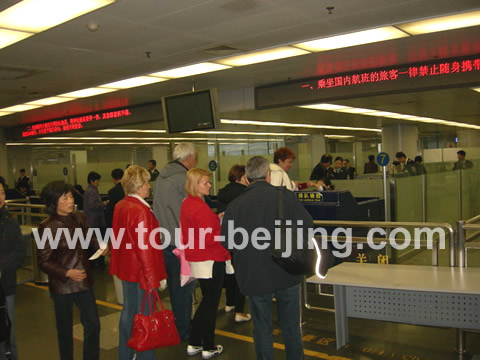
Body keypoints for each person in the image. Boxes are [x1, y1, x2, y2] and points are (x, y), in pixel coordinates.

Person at [222, 156, 314, 360]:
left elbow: (227, 242)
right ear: (268, 175)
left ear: (246, 178)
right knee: (290, 327)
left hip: (254, 276)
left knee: (262, 328)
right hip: (286, 271)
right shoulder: (285, 197)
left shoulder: (235, 206)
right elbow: (307, 225)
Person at [37, 181, 104, 360]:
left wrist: (100, 247)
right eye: (65, 197)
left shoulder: (79, 218)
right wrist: (66, 272)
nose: (70, 201)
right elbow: (43, 261)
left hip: (83, 280)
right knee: (65, 330)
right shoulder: (48, 227)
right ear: (54, 202)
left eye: (71, 196)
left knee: (93, 325)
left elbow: (89, 239)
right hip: (63, 285)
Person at [109, 165, 167, 360]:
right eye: (146, 183)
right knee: (146, 316)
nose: (149, 187)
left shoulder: (121, 205)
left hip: (127, 269)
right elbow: (144, 247)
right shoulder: (140, 210)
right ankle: (146, 355)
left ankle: (125, 354)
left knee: (129, 312)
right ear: (139, 185)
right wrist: (152, 278)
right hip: (142, 271)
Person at [181, 168, 231, 359]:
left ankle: (194, 342)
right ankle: (208, 345)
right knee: (210, 304)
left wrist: (215, 221)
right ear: (195, 184)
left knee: (206, 302)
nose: (209, 185)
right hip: (210, 258)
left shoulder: (188, 203)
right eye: (205, 182)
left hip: (199, 259)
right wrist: (225, 229)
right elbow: (210, 237)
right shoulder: (198, 206)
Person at [152, 142, 198, 341]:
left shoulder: (160, 178)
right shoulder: (185, 179)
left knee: (174, 288)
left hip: (164, 242)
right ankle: (184, 330)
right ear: (188, 158)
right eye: (195, 157)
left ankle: (178, 326)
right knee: (184, 290)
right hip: (182, 245)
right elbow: (197, 212)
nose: (196, 161)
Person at [216, 165, 251, 323]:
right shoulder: (245, 193)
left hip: (225, 237)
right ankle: (240, 310)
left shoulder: (223, 191)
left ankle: (229, 303)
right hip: (242, 238)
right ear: (243, 177)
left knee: (229, 271)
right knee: (240, 273)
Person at [0, 178, 25, 360]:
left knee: (8, 333)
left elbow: (19, 253)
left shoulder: (11, 222)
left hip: (5, 285)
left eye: (1, 193)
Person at [83, 171, 106, 268]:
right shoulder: (92, 191)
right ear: (92, 181)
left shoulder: (90, 189)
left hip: (92, 221)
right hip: (95, 221)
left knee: (93, 243)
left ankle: (94, 262)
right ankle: (97, 263)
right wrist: (102, 204)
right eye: (97, 180)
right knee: (97, 242)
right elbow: (93, 205)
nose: (99, 182)